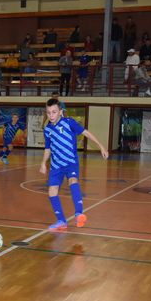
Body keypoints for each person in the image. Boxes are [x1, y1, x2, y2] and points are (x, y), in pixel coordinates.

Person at [39, 98, 108, 231]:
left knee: (73, 180)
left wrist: (101, 146)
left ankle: (79, 213)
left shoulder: (69, 123)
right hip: (56, 165)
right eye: (48, 113)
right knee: (52, 191)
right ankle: (61, 221)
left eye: (54, 112)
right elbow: (48, 148)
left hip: (70, 162)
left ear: (60, 112)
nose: (51, 115)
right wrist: (43, 163)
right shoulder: (47, 129)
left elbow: (86, 133)